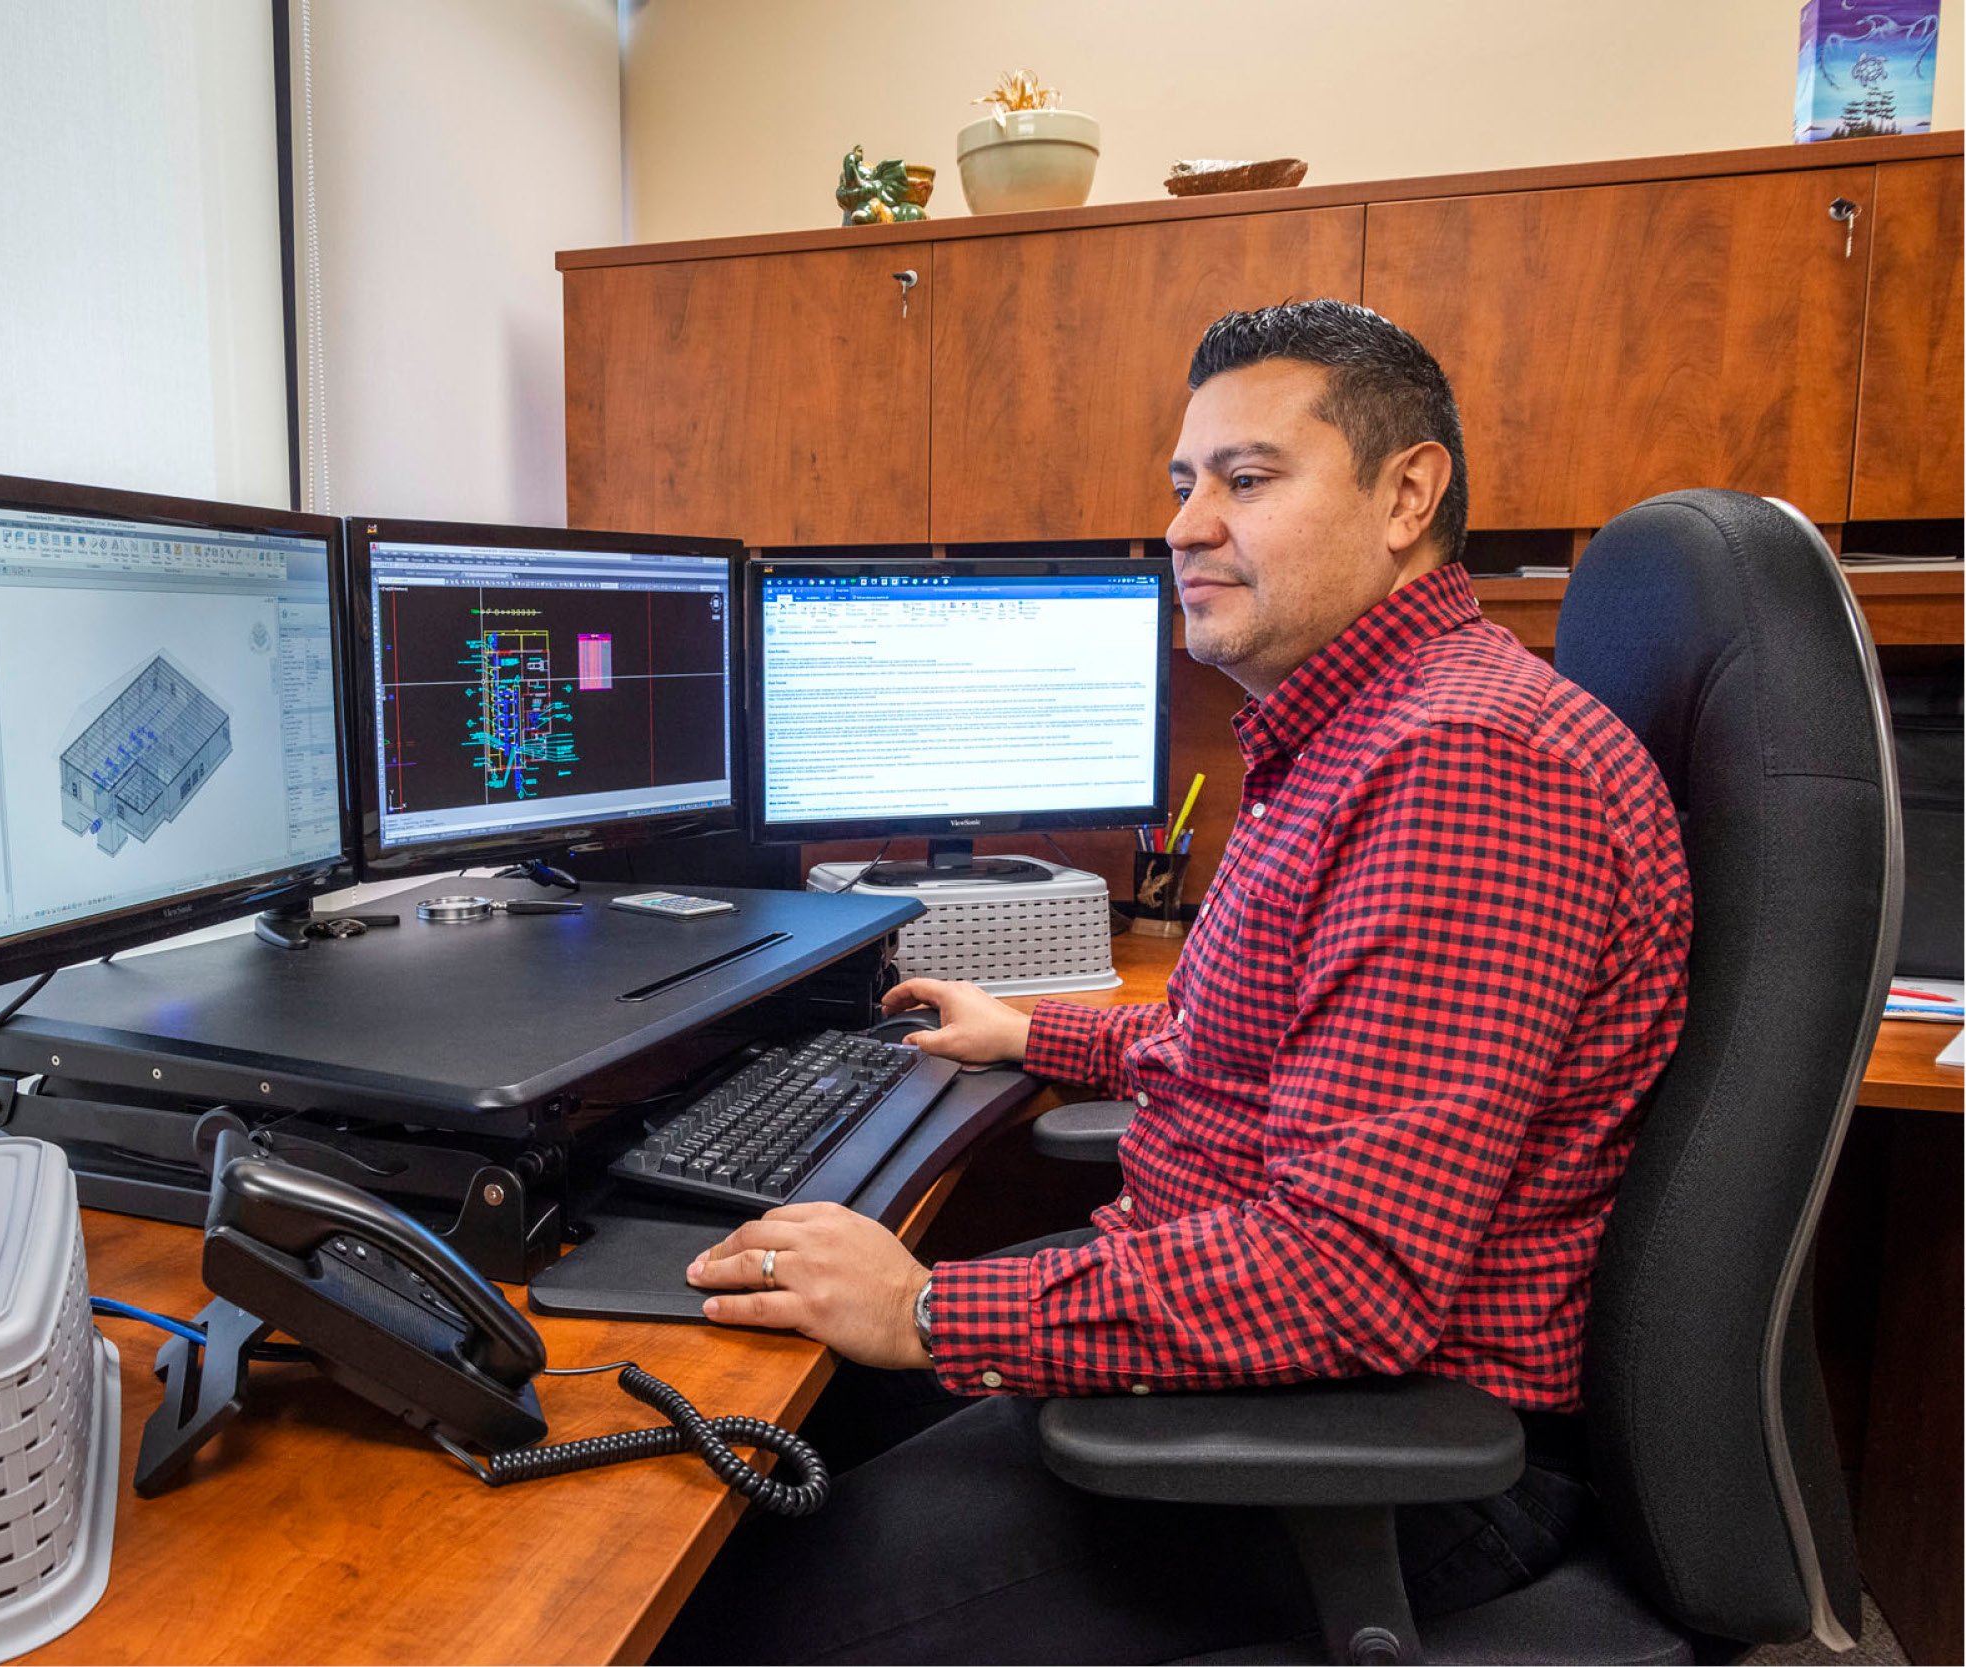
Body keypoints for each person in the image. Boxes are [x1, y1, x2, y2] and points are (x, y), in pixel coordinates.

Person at [654, 300, 1694, 1664]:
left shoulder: (1465, 767)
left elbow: (1347, 1276)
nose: (1186, 525)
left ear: (1407, 494)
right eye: (1183, 483)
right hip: (1246, 1349)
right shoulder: (1367, 726)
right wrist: (1044, 1033)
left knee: (718, 1609)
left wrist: (924, 1309)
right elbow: (1275, 1041)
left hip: (1373, 1445)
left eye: (1247, 479)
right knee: (771, 1441)